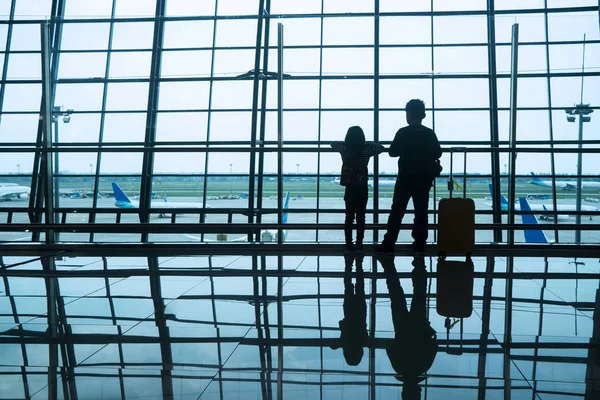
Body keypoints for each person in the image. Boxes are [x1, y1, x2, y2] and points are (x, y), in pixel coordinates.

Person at [376, 99, 442, 255]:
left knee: (397, 212)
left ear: (409, 114)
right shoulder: (429, 133)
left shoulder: (403, 132)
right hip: (424, 179)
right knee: (421, 212)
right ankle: (420, 243)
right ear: (422, 115)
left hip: (405, 178)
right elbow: (438, 152)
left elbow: (392, 152)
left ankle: (389, 244)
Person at [378, 256, 438, 399]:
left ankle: (419, 263)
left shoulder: (424, 366)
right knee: (395, 292)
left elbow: (433, 344)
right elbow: (389, 345)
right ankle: (388, 264)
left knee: (419, 293)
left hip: (418, 325)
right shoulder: (399, 367)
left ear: (417, 390)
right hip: (402, 327)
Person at [331, 127, 385, 252]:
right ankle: (359, 244)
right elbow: (380, 148)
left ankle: (348, 245)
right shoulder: (366, 150)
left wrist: (345, 143)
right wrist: (367, 143)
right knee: (361, 217)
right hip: (362, 187)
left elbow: (332, 144)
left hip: (350, 187)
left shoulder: (344, 149)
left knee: (349, 217)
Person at [330, 254, 368, 366]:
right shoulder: (344, 342)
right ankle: (349, 263)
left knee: (360, 287)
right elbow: (342, 324)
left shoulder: (362, 341)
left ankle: (358, 263)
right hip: (349, 311)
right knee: (348, 286)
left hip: (361, 312)